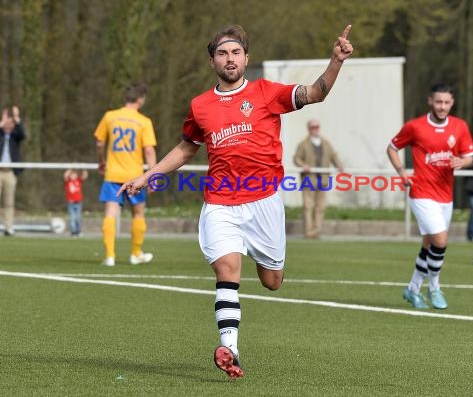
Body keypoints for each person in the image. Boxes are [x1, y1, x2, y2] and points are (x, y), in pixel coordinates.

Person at [118, 24, 354, 378]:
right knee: (227, 270)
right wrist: (147, 175)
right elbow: (186, 148)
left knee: (272, 280)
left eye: (235, 53)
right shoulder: (200, 105)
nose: (230, 59)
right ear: (212, 61)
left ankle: (264, 269)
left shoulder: (265, 92)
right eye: (222, 54)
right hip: (220, 202)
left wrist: (336, 60)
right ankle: (230, 348)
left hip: (264, 201)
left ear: (246, 58)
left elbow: (316, 92)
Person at [387, 83, 473, 309]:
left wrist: (461, 162)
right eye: (438, 102)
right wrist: (401, 172)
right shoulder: (415, 127)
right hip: (422, 193)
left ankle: (412, 290)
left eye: (446, 102)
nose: (442, 106)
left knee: (429, 245)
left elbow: (469, 156)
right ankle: (434, 287)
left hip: (446, 196)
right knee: (441, 241)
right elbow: (392, 148)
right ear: (430, 101)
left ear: (452, 103)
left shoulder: (460, 126)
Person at [94, 83, 157, 267]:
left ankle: (110, 256)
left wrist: (101, 161)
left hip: (113, 174)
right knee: (138, 213)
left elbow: (99, 143)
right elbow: (149, 151)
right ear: (140, 100)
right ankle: (135, 253)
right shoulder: (144, 121)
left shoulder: (110, 116)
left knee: (110, 214)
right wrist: (152, 176)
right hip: (135, 177)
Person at [293, 119, 344, 239]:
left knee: (320, 206)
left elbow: (333, 155)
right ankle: (308, 231)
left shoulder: (326, 143)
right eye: (312, 127)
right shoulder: (303, 144)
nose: (315, 129)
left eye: (317, 127)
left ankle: (316, 231)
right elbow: (296, 159)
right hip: (308, 179)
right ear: (309, 129)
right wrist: (303, 165)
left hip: (323, 178)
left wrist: (339, 165)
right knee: (308, 206)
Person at [0, 106, 25, 236]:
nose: (8, 125)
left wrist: (16, 118)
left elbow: (23, 134)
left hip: (10, 172)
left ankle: (8, 227)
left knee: (9, 202)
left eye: (11, 123)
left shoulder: (15, 137)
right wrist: (1, 123)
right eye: (7, 122)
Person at [64, 168, 88, 237]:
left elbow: (85, 176)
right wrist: (70, 168)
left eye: (75, 175)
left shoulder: (78, 181)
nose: (73, 176)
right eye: (72, 175)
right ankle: (73, 231)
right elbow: (65, 175)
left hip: (78, 202)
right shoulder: (68, 181)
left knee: (78, 217)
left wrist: (84, 168)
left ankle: (78, 231)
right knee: (72, 217)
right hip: (71, 203)